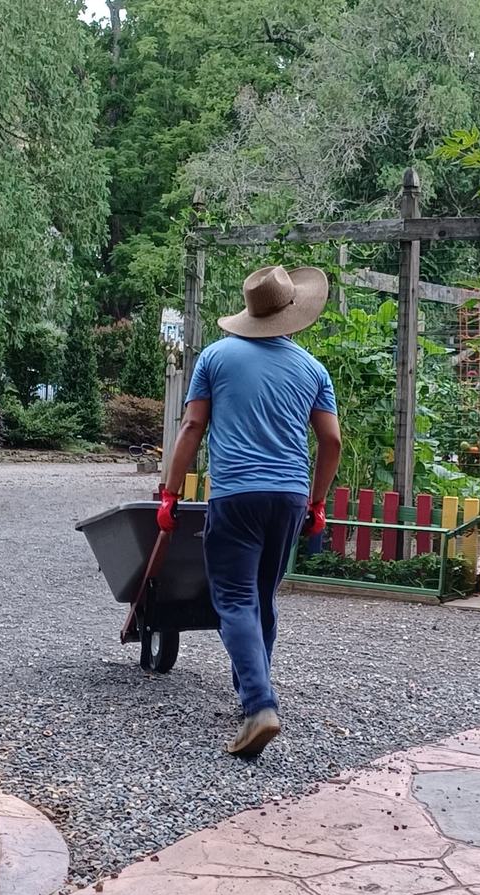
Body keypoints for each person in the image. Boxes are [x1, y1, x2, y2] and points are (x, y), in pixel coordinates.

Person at [157, 264, 341, 757]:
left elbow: (191, 427)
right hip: (290, 497)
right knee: (262, 597)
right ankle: (252, 688)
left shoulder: (215, 357)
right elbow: (331, 441)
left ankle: (259, 705)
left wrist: (170, 493)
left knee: (236, 600)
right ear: (292, 309)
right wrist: (317, 500)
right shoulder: (313, 370)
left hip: (236, 494)